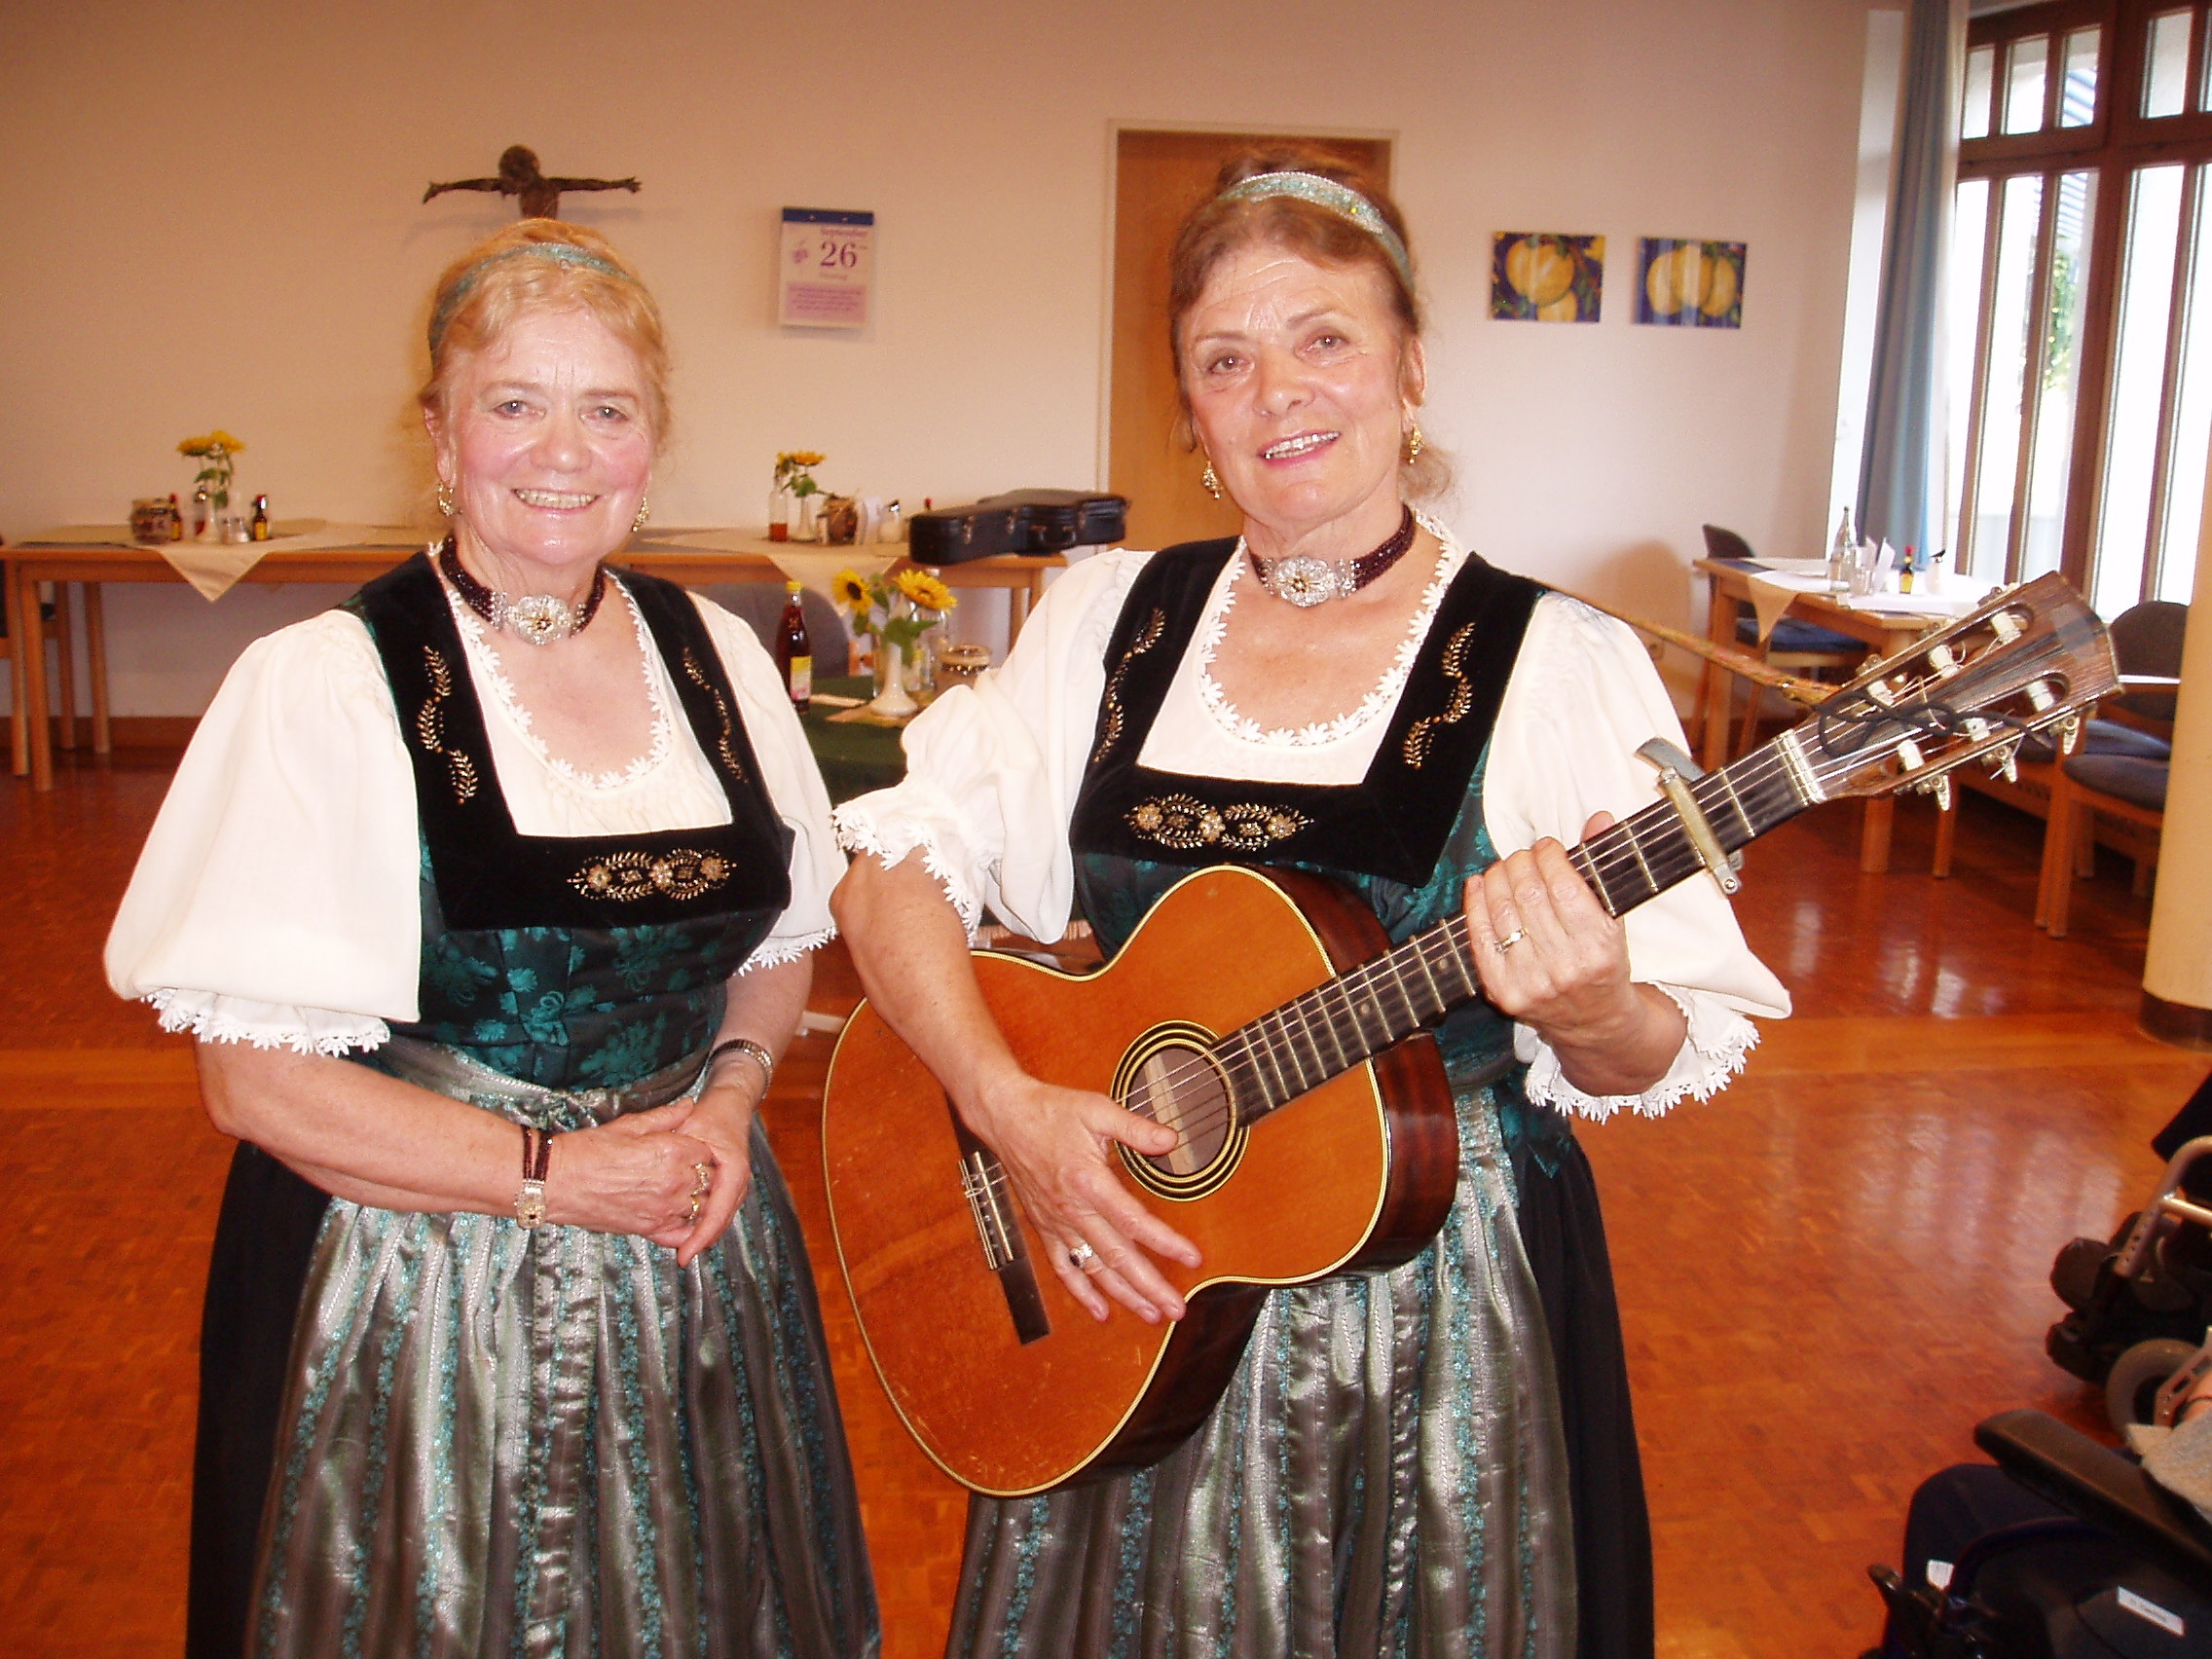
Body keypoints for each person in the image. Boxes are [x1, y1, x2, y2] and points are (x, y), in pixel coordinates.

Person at [830, 150, 1788, 1659]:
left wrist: (1595, 1003)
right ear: (1191, 411)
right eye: (1227, 360)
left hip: (1424, 1316)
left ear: (1412, 367)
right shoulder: (1110, 621)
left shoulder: (1548, 663)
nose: (1279, 393)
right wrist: (1004, 1106)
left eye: (1325, 338)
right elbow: (896, 865)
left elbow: (1658, 1043)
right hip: (1118, 1272)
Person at [106, 220, 878, 1659]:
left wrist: (729, 1099)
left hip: (692, 1252)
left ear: (655, 441)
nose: (563, 452)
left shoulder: (719, 659)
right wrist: (560, 1177)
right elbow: (253, 1084)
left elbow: (778, 942)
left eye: (609, 410)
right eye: (515, 402)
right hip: (419, 1289)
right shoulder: (329, 684)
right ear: (440, 431)